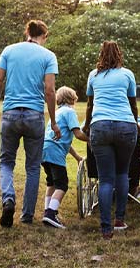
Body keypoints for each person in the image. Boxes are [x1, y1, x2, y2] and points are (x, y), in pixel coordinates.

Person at [0, 20, 61, 228]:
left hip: (11, 114)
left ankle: (8, 199)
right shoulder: (48, 56)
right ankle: (27, 215)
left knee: (6, 162)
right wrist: (54, 122)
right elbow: (49, 90)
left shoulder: (9, 51)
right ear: (44, 36)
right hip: (34, 116)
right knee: (32, 167)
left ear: (27, 33)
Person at [82, 41, 139, 240]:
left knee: (105, 179)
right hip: (126, 126)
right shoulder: (127, 74)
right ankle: (120, 219)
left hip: (100, 126)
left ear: (101, 55)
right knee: (122, 173)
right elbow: (133, 105)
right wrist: (136, 123)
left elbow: (90, 105)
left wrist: (87, 125)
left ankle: (106, 227)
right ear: (119, 54)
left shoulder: (93, 75)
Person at [41, 86, 87, 229]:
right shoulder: (69, 112)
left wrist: (77, 157)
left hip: (44, 150)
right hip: (55, 153)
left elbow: (65, 141)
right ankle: (51, 213)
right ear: (72, 98)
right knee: (62, 185)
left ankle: (47, 211)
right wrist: (93, 139)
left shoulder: (57, 113)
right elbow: (78, 134)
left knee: (51, 183)